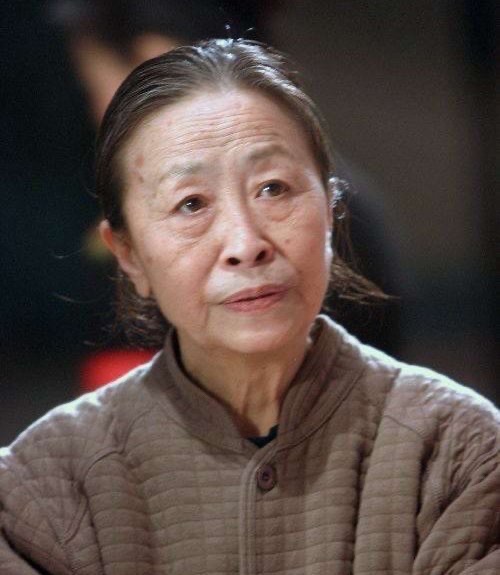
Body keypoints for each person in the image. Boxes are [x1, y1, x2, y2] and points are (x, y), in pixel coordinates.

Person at [0, 39, 498, 574]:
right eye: (191, 204)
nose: (245, 243)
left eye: (273, 189)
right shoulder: (43, 490)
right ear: (129, 255)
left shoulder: (456, 450)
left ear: (331, 210)